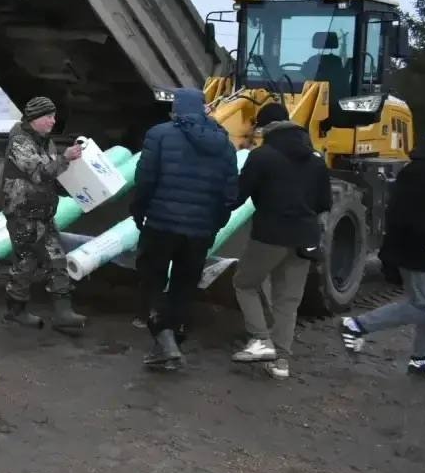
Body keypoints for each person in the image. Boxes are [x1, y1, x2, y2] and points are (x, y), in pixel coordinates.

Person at [131, 87, 238, 370]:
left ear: (176, 110)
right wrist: (217, 222)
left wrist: (138, 212)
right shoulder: (225, 144)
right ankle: (174, 340)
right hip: (200, 230)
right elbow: (229, 193)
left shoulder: (160, 135)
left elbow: (145, 180)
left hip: (160, 224)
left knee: (151, 278)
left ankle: (165, 341)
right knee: (185, 284)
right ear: (204, 109)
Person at [341, 117, 425, 379]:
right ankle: (357, 325)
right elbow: (403, 216)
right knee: (422, 305)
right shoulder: (419, 172)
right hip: (417, 249)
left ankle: (423, 358)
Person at [229, 103, 332, 379]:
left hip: (270, 235)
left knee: (244, 283)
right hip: (305, 238)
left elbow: (237, 197)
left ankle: (260, 339)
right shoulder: (316, 158)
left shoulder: (262, 156)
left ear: (265, 128)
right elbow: (324, 202)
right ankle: (281, 362)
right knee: (288, 300)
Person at [1, 96, 86, 332]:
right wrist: (65, 158)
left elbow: (51, 174)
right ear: (35, 118)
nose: (53, 121)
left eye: (53, 116)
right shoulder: (20, 142)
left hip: (42, 212)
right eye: (48, 116)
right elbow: (40, 173)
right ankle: (21, 311)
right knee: (33, 260)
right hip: (23, 213)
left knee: (46, 259)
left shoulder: (43, 141)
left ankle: (57, 312)